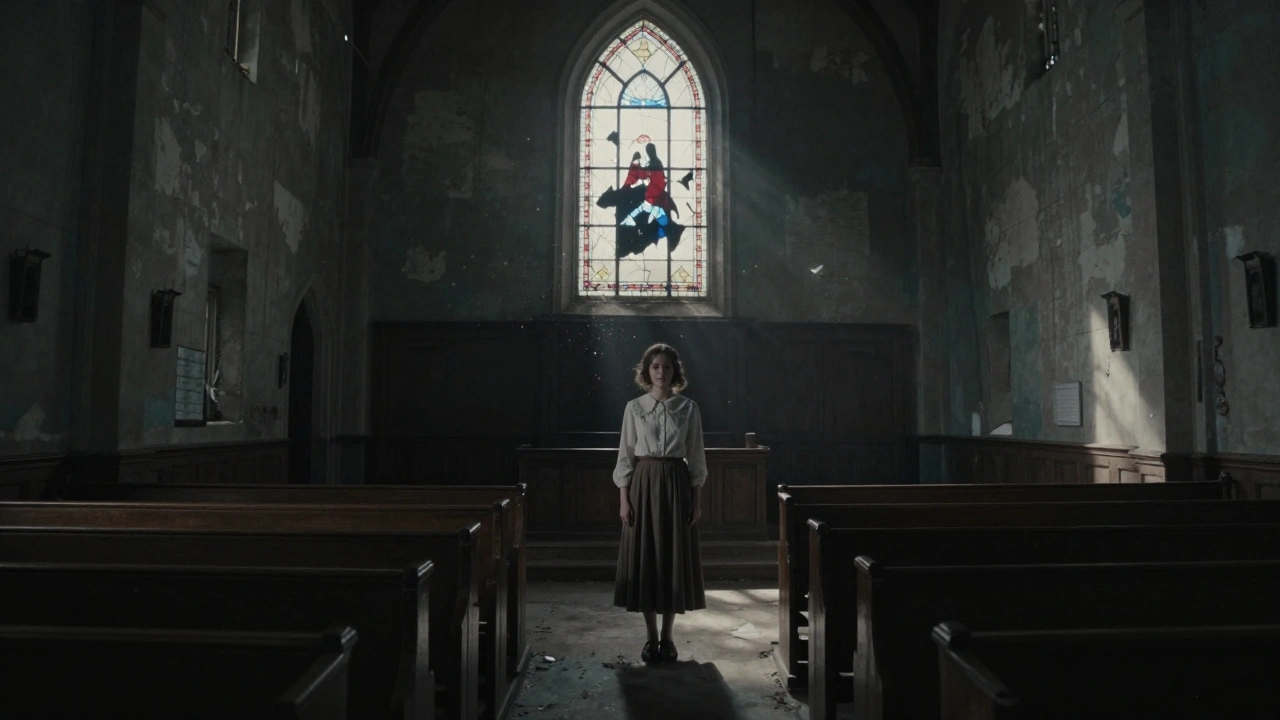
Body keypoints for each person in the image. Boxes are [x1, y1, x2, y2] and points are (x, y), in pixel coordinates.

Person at [613, 342, 708, 664]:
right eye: (655, 366)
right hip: (644, 481)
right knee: (648, 559)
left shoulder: (688, 408)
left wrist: (696, 500)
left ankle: (668, 637)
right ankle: (650, 636)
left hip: (676, 483)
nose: (661, 372)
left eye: (667, 367)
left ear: (674, 371)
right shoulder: (634, 407)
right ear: (646, 371)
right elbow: (625, 455)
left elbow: (696, 457)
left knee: (672, 559)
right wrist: (624, 500)